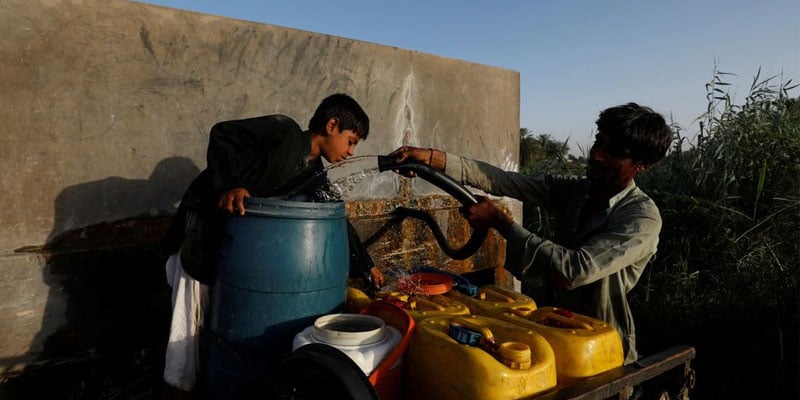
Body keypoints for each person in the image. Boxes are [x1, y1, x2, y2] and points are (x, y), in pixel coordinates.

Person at [390, 103, 672, 364]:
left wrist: (500, 221)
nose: (597, 154)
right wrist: (432, 159)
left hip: (602, 348)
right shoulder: (580, 191)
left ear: (641, 165)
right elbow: (508, 181)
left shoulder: (640, 218)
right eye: (599, 141)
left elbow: (572, 270)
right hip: (553, 330)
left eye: (614, 152)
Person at [160, 93, 385, 396]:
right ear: (332, 125)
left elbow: (336, 216)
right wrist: (231, 185)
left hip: (234, 250)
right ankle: (176, 390)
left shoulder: (312, 173)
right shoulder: (284, 132)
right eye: (351, 140)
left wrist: (367, 263)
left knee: (215, 329)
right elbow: (223, 133)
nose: (350, 152)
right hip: (201, 235)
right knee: (186, 328)